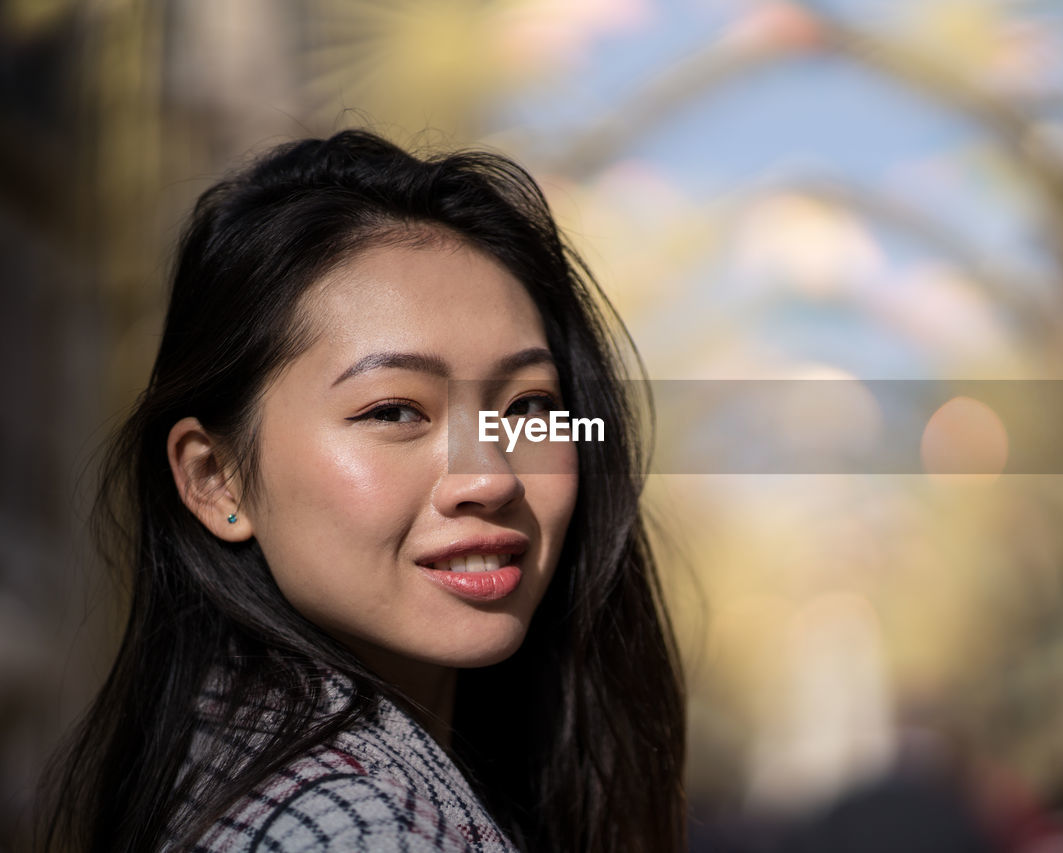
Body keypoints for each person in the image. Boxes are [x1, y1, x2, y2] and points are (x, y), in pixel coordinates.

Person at [38, 130, 686, 852]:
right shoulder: (362, 829)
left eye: (529, 407)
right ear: (214, 477)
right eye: (394, 411)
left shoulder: (229, 773)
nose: (492, 476)